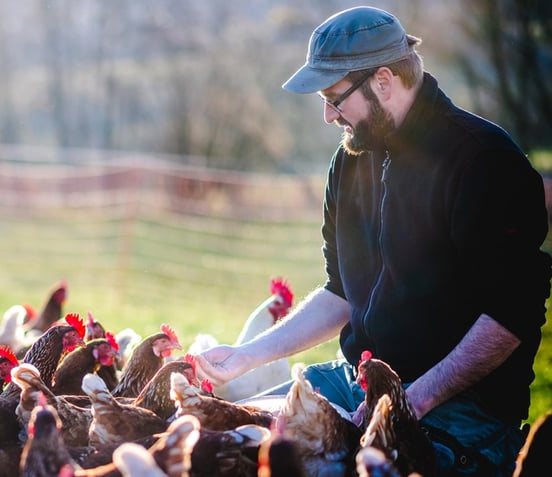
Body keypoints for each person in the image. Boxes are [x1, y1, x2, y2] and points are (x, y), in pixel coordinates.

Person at [195, 6, 551, 476]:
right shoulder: (350, 162)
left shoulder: (485, 163)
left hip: (460, 412)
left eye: (334, 98)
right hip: (355, 384)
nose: (327, 115)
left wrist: (407, 403)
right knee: (216, 444)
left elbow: (510, 317)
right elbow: (341, 292)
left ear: (384, 81)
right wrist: (246, 356)